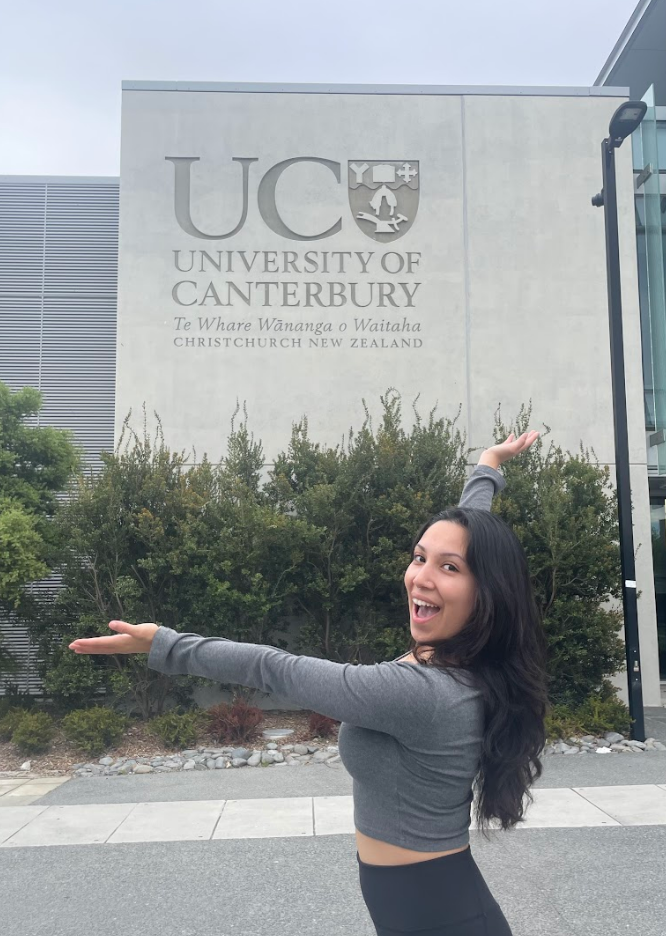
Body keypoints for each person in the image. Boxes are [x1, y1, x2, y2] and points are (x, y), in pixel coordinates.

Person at [70, 430, 546, 936]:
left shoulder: (423, 693)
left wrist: (166, 643)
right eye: (418, 556)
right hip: (427, 902)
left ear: (487, 593)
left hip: (440, 917)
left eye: (447, 567)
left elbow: (275, 668)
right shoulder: (462, 656)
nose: (419, 576)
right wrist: (487, 467)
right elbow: (471, 534)